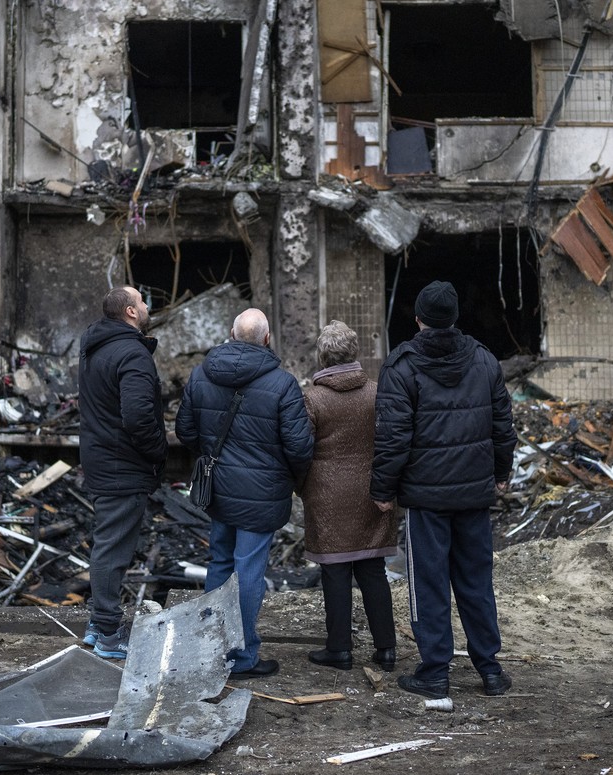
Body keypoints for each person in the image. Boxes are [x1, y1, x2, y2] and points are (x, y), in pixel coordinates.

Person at [372, 280, 517, 699]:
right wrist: (501, 472)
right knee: (476, 581)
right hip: (473, 493)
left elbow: (391, 438)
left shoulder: (401, 367)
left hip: (426, 499)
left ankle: (435, 672)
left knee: (429, 584)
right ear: (454, 318)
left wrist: (383, 489)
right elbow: (502, 426)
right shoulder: (485, 361)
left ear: (418, 319)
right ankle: (490, 670)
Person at [176, 307, 313, 678]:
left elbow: (185, 431)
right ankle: (242, 656)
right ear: (267, 339)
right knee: (248, 568)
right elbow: (300, 447)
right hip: (263, 493)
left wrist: (210, 454)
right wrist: (291, 478)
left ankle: (211, 647)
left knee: (220, 561)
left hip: (218, 488)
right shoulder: (282, 384)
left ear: (231, 335)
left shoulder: (201, 374)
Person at [299, 320, 399, 672]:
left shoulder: (312, 398)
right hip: (372, 491)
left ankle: (339, 649)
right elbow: (391, 439)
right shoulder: (377, 392)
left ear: (323, 356)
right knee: (373, 569)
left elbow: (301, 449)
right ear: (354, 352)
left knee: (335, 572)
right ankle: (386, 648)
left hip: (327, 495)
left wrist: (302, 487)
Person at [77, 285, 167, 660]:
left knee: (107, 543)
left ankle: (99, 625)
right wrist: (157, 451)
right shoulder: (131, 352)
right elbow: (137, 416)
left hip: (102, 459)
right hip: (122, 465)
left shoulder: (94, 349)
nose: (147, 307)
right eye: (142, 302)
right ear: (131, 312)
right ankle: (110, 632)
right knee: (113, 549)